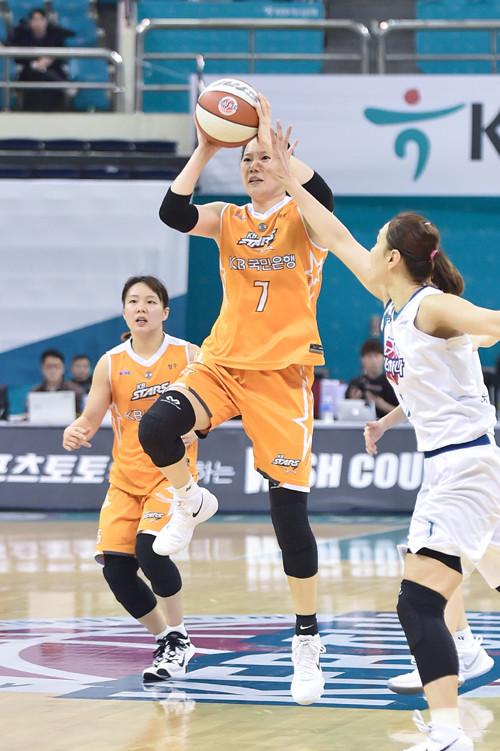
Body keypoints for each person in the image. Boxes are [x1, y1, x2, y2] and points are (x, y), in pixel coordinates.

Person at [269, 122, 500, 750]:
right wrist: (289, 179)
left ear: (395, 256)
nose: (369, 246)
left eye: (379, 242)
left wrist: (483, 330)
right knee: (434, 580)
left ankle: (449, 729)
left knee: (416, 601)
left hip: (465, 468)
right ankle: (464, 655)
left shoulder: (432, 305)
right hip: (456, 463)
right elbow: (334, 234)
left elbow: (487, 321)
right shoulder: (394, 301)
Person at [137, 95, 334, 706]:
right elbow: (172, 212)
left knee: (289, 521)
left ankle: (307, 639)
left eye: (262, 158)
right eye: (246, 159)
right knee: (155, 427)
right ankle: (190, 499)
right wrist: (205, 147)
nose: (253, 165)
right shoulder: (227, 217)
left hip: (282, 377)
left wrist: (283, 156)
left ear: (284, 163)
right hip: (222, 364)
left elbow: (324, 195)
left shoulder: (305, 218)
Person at [63, 276, 200, 682]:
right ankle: (169, 640)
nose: (141, 308)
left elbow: (217, 405)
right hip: (125, 480)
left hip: (170, 475)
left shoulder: (188, 355)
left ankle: (178, 634)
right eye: (134, 301)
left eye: (150, 301)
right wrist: (76, 430)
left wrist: (198, 427)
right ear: (124, 312)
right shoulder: (111, 362)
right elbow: (91, 417)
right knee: (116, 570)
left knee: (151, 551)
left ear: (165, 311)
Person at [364, 411, 494, 695]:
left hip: (463, 462)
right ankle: (465, 649)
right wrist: (384, 423)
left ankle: (444, 660)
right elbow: (413, 395)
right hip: (462, 461)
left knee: (434, 565)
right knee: (447, 560)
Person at [6, 8, 74, 112]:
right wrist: (35, 64)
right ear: (30, 22)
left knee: (47, 72)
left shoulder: (55, 34)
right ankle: (65, 85)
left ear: (46, 21)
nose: (38, 23)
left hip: (52, 68)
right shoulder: (23, 35)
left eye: (41, 19)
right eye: (34, 20)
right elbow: (18, 55)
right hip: (29, 70)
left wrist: (50, 59)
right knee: (35, 71)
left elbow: (63, 49)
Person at [345, 338, 398, 418]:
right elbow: (345, 410)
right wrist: (354, 400)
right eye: (369, 356)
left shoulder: (393, 383)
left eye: (376, 356)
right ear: (362, 360)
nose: (373, 361)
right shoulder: (355, 384)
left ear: (384, 358)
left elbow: (406, 415)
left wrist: (381, 404)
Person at [31, 348, 84, 413]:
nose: (53, 371)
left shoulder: (76, 392)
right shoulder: (35, 393)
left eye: (56, 366)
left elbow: (83, 416)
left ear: (63, 368)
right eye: (49, 366)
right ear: (42, 368)